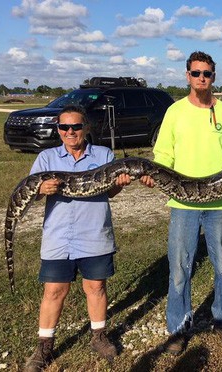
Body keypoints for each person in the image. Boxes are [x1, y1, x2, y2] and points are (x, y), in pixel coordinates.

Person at [139, 51, 222, 354]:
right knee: (180, 268)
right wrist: (153, 175)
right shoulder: (175, 112)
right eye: (196, 73)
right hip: (182, 205)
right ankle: (178, 327)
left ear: (213, 77)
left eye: (206, 73)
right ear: (187, 75)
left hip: (220, 204)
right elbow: (164, 154)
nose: (201, 78)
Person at [24, 105, 131, 371]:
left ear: (86, 128)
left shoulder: (104, 154)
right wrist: (40, 189)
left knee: (95, 287)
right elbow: (30, 192)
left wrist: (119, 183)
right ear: (58, 130)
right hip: (58, 236)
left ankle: (98, 335)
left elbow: (109, 193)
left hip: (94, 232)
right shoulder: (46, 158)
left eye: (76, 127)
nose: (70, 132)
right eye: (64, 127)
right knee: (54, 291)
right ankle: (44, 346)